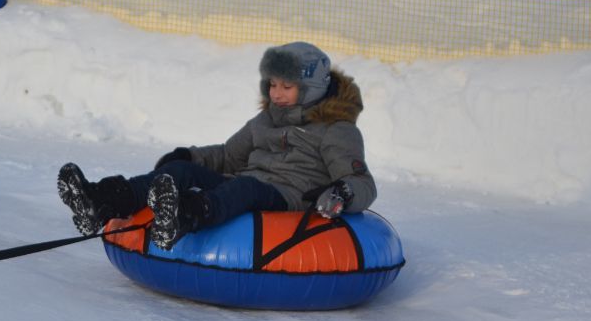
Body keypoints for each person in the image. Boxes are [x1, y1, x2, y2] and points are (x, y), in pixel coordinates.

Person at [57, 41, 377, 250]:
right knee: (183, 171)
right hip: (247, 181)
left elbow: (359, 181)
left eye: (287, 86)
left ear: (311, 89)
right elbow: (227, 156)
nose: (276, 93)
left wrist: (343, 194)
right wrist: (188, 156)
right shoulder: (266, 121)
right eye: (273, 85)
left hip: (290, 196)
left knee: (245, 189)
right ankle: (100, 201)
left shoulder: (336, 130)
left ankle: (183, 217)